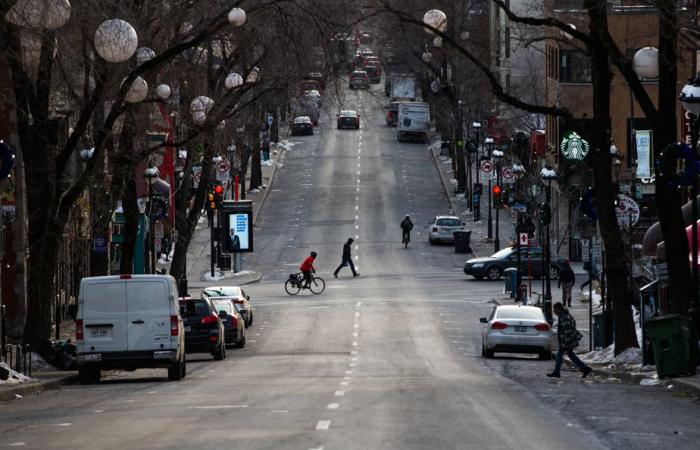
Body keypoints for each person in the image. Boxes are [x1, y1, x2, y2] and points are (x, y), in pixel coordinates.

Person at [547, 302, 592, 378]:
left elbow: (567, 331)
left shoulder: (563, 317)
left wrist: (565, 343)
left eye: (554, 309)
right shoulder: (565, 315)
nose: (554, 311)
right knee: (571, 355)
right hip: (567, 341)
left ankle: (557, 372)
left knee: (559, 355)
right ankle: (585, 368)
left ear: (558, 309)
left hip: (566, 341)